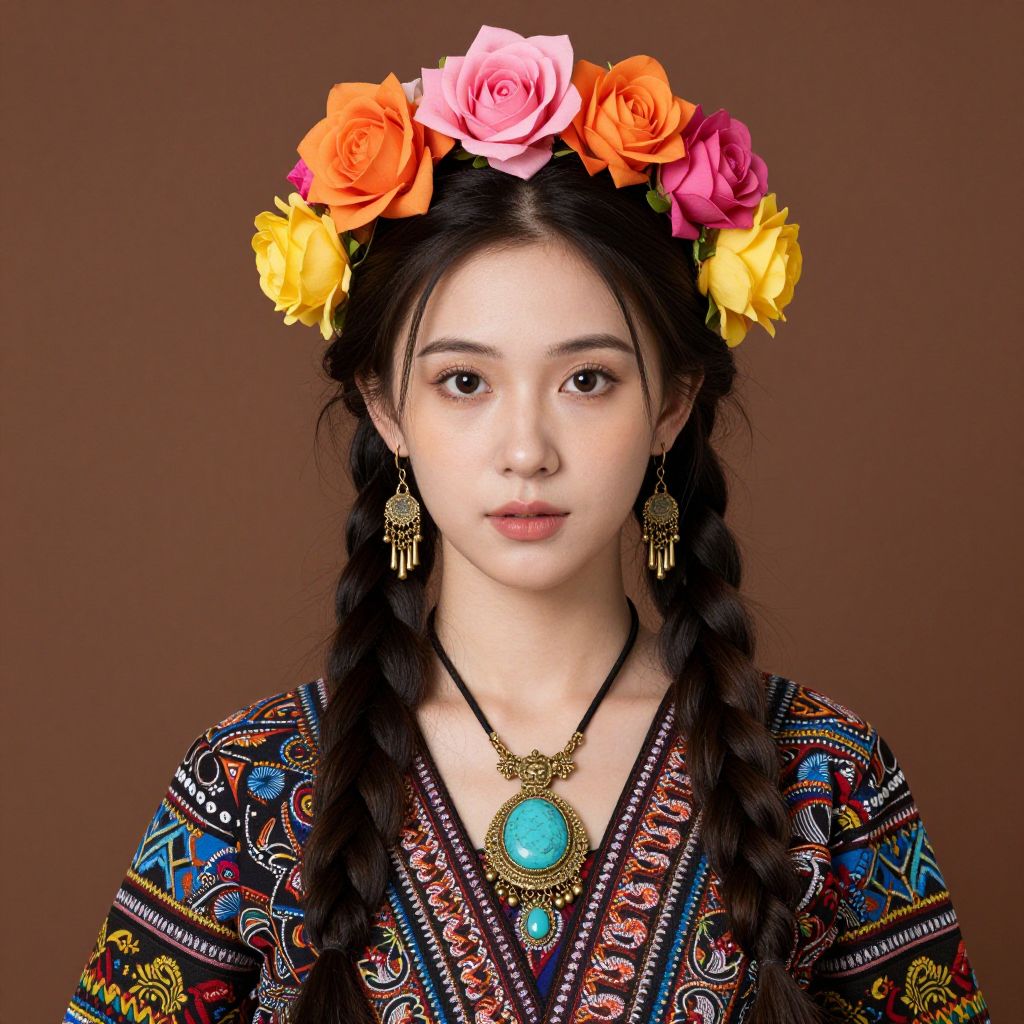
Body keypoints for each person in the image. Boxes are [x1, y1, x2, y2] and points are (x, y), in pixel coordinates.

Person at [62, 24, 990, 1024]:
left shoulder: (828, 780)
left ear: (672, 404)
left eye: (587, 380)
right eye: (463, 381)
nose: (526, 448)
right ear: (385, 407)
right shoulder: (244, 791)